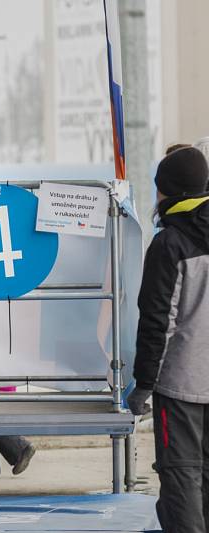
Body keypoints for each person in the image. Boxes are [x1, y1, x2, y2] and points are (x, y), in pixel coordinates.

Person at [127, 146, 209, 532]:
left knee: (180, 474)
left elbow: (159, 322)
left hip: (181, 387)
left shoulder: (169, 245)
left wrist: (143, 385)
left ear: (168, 192)